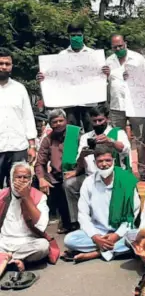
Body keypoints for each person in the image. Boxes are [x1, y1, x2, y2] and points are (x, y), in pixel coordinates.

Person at [63, 144, 140, 263]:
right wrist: (95, 237)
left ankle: (95, 253)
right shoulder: (89, 183)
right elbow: (83, 215)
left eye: (108, 160)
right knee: (69, 239)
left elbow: (132, 214)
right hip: (98, 231)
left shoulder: (126, 180)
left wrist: (116, 235)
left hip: (121, 231)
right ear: (94, 163)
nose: (104, 164)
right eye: (100, 161)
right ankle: (110, 249)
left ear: (114, 160)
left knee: (138, 237)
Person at [63, 104, 131, 231]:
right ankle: (78, 223)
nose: (97, 123)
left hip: (112, 176)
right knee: (70, 184)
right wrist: (83, 154)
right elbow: (79, 162)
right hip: (91, 177)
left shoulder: (117, 133)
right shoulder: (86, 137)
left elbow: (125, 150)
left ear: (107, 119)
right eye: (94, 121)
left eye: (101, 120)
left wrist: (110, 141)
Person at [37, 23, 101, 132]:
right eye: (73, 35)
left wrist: (105, 73)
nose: (76, 37)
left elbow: (100, 75)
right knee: (71, 128)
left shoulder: (93, 54)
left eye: (78, 35)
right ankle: (71, 149)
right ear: (69, 36)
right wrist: (44, 77)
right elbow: (54, 75)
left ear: (83, 35)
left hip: (89, 99)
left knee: (90, 126)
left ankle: (93, 148)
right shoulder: (62, 55)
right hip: (70, 100)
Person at [104, 34, 145, 182]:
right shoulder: (108, 61)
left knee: (141, 138)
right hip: (116, 105)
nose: (118, 49)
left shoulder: (138, 58)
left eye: (120, 46)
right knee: (116, 139)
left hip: (137, 104)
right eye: (115, 47)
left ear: (126, 43)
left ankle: (144, 171)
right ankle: (120, 170)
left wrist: (136, 76)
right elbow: (103, 84)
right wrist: (104, 76)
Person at [35, 109, 79, 234]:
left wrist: (76, 171)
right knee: (38, 182)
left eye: (61, 121)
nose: (58, 124)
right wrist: (41, 179)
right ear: (50, 124)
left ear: (66, 121)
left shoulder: (76, 134)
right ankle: (55, 219)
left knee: (69, 184)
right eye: (55, 122)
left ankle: (74, 222)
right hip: (57, 176)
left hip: (77, 173)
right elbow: (40, 162)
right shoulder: (48, 139)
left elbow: (85, 155)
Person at [0, 162, 50, 272]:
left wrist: (26, 197)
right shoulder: (2, 195)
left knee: (43, 246)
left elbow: (42, 225)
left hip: (27, 244)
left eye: (26, 177)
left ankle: (8, 259)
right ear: (11, 180)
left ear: (31, 180)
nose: (22, 180)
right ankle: (15, 261)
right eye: (18, 177)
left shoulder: (39, 196)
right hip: (3, 242)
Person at [0, 48, 37, 189]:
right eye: (1, 63)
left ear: (11, 66)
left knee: (19, 187)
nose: (4, 67)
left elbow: (28, 117)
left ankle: (18, 212)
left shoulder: (19, 89)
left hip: (18, 146)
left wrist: (32, 146)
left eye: (7, 63)